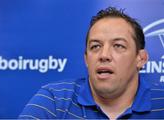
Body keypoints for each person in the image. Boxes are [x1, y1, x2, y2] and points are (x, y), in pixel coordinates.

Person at [19, 7, 164, 119]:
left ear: (141, 59)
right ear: (86, 59)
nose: (104, 55)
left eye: (118, 45)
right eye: (96, 46)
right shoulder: (55, 101)